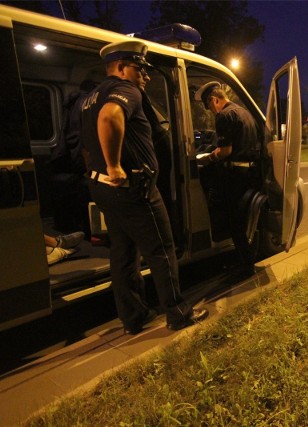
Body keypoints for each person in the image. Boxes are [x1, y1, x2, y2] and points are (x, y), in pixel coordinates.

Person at [80, 40, 207, 334]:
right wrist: (114, 166)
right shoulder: (126, 90)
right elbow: (109, 118)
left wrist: (101, 170)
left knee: (123, 254)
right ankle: (178, 314)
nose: (146, 76)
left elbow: (87, 144)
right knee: (162, 250)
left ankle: (133, 318)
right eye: (140, 69)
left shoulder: (90, 97)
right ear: (122, 67)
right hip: (134, 188)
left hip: (105, 190)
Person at [195, 81, 259, 277]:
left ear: (214, 99)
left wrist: (208, 158)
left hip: (232, 175)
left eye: (209, 106)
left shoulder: (224, 115)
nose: (210, 111)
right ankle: (244, 260)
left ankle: (245, 266)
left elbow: (225, 150)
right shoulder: (244, 113)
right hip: (247, 173)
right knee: (240, 218)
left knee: (234, 222)